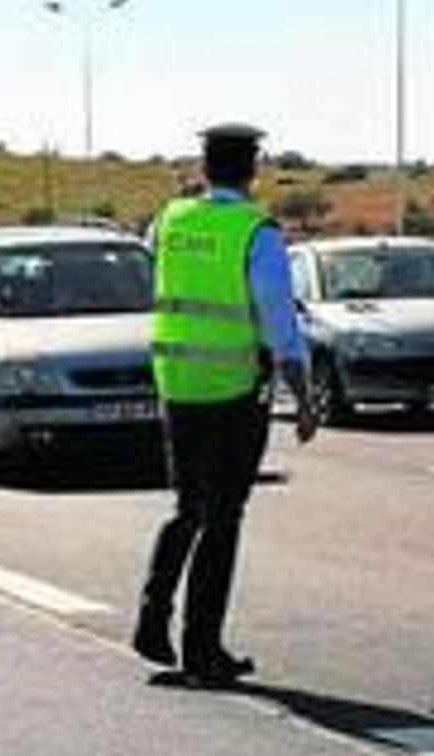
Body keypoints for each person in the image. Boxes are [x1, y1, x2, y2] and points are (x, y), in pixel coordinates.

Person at [134, 124, 319, 686]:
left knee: (187, 508)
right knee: (223, 519)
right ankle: (202, 649)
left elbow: (154, 271)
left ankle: (151, 618)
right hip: (232, 389)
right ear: (253, 169)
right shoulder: (255, 232)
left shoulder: (169, 220)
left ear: (204, 165)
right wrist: (304, 395)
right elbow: (279, 325)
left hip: (175, 382)